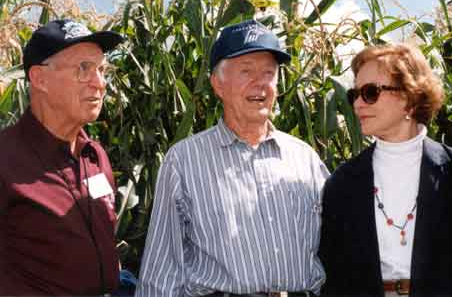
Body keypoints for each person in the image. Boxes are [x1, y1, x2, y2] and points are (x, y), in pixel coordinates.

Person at [136, 20, 329, 297]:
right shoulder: (184, 161)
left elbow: (340, 247)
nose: (260, 83)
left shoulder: (305, 158)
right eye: (246, 71)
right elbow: (162, 269)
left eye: (269, 72)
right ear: (218, 84)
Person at [319, 43, 452, 296]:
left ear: (409, 97)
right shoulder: (342, 182)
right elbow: (336, 276)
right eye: (354, 95)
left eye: (370, 92)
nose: (358, 104)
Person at [0, 19, 124, 296]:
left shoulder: (95, 156)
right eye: (84, 69)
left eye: (102, 70)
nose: (100, 83)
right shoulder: (5, 160)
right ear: (39, 78)